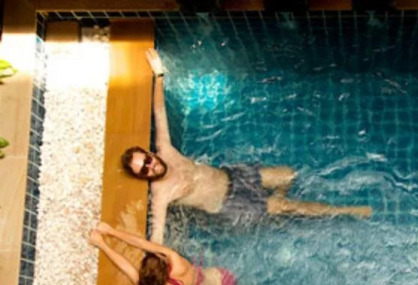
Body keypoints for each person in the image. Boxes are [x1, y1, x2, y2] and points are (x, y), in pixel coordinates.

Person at [122, 48, 372, 244]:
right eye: (143, 170)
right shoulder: (161, 194)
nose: (150, 167)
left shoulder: (165, 150)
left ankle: (275, 212)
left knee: (289, 175)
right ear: (142, 177)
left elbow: (159, 111)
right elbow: (157, 235)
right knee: (288, 206)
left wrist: (159, 75)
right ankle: (348, 210)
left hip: (235, 175)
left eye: (147, 161)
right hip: (232, 206)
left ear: (150, 153)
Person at [88, 222, 281, 285]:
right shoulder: (175, 260)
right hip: (217, 277)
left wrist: (102, 245)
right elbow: (143, 244)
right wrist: (111, 231)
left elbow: (127, 269)